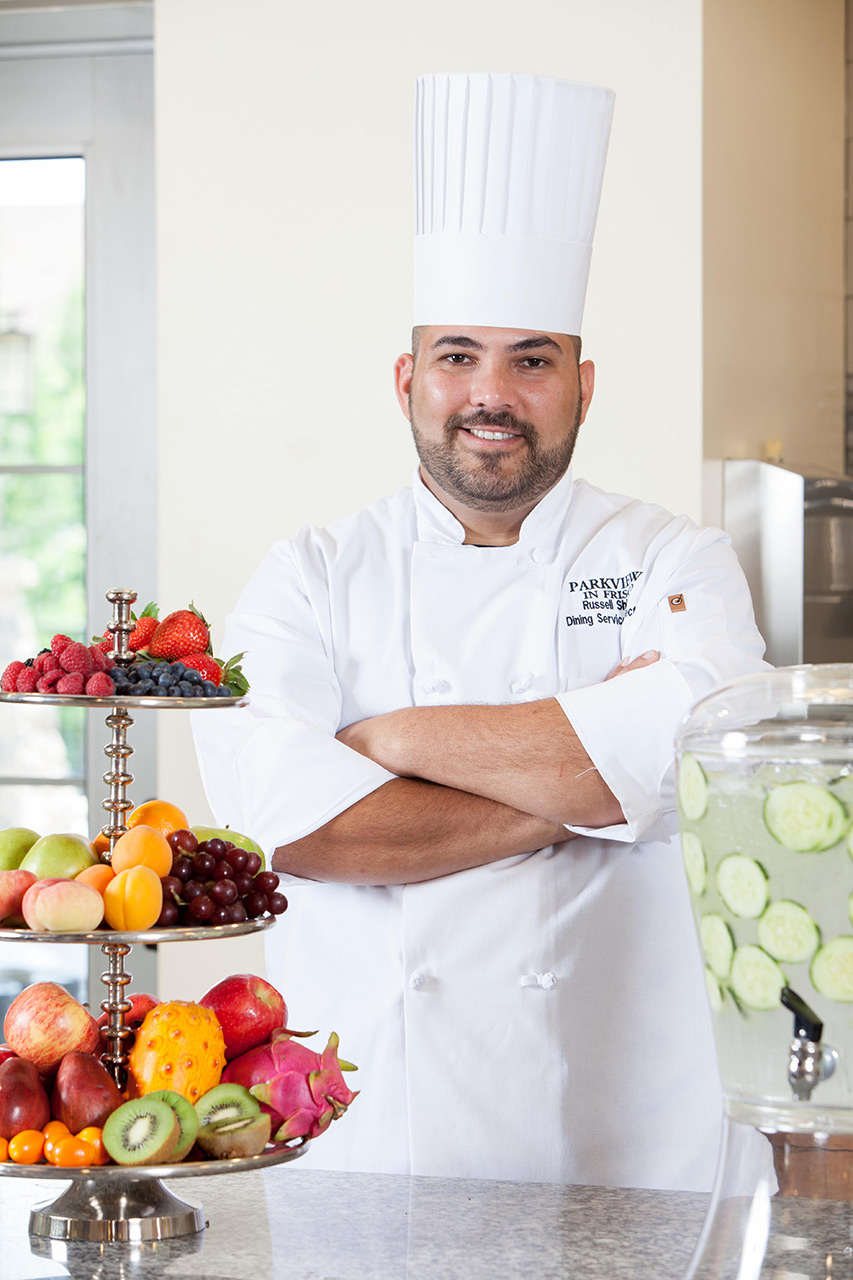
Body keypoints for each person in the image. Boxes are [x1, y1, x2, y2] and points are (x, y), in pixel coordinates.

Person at [192, 72, 767, 1190]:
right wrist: (591, 797)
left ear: (583, 386)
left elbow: (695, 757)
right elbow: (291, 831)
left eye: (531, 359)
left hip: (635, 1132)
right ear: (408, 379)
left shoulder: (674, 555)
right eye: (457, 355)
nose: (490, 392)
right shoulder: (307, 573)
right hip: (375, 1132)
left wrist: (390, 739)